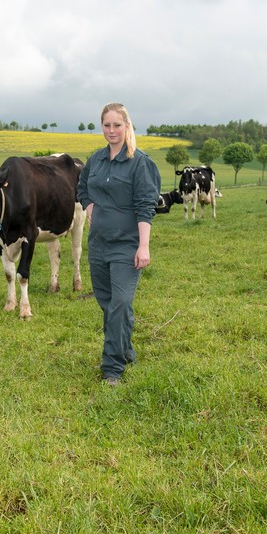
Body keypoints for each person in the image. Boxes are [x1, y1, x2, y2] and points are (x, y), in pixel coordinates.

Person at [77, 103, 161, 385]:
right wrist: (88, 206)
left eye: (117, 125)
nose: (111, 131)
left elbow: (145, 206)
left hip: (127, 245)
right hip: (98, 244)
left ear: (127, 126)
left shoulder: (141, 162)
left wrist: (144, 246)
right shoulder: (96, 160)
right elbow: (82, 186)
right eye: (107, 125)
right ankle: (124, 350)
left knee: (121, 303)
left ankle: (112, 369)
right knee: (108, 304)